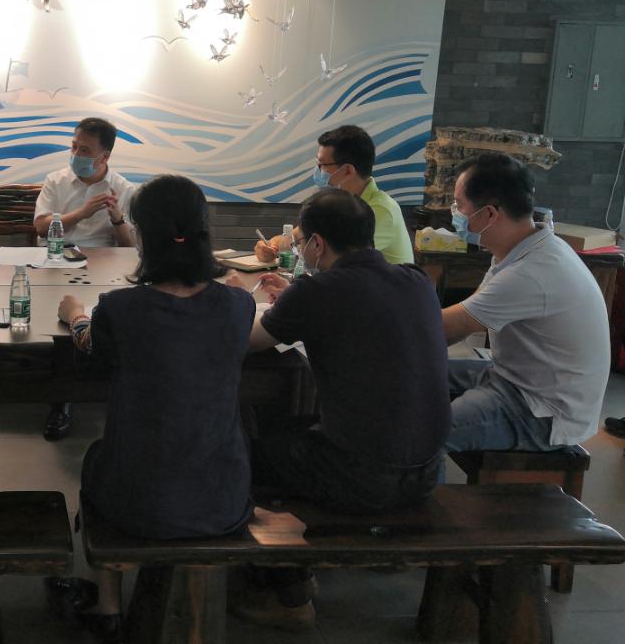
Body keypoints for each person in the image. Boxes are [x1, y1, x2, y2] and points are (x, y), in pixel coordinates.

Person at [51, 175, 256, 643]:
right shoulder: (237, 306)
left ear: (141, 236)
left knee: (96, 458)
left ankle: (107, 606)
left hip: (138, 503)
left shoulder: (121, 308)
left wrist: (75, 314)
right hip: (223, 498)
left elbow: (92, 346)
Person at [239, 188, 449, 629]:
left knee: (241, 455)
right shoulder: (415, 280)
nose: (300, 249)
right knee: (286, 430)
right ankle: (301, 570)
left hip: (362, 477)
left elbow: (249, 340)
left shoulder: (320, 290)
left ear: (317, 244)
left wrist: (235, 300)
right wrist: (295, 297)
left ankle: (288, 595)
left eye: (300, 242)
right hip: (428, 470)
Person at [441, 153, 610, 453]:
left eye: (459, 205)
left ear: (489, 214)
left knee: (421, 432)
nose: (454, 213)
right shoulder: (523, 248)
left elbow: (448, 329)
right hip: (513, 378)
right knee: (416, 376)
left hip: (542, 410)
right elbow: (466, 314)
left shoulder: (531, 272)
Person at [34, 117, 137, 441]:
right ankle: (61, 398)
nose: (76, 154)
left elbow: (130, 249)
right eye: (74, 146)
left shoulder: (123, 189)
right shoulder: (56, 181)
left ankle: (92, 385)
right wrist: (82, 212)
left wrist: (117, 218)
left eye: (85, 150)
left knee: (105, 316)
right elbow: (41, 227)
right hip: (56, 260)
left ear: (105, 156)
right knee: (56, 321)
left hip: (103, 266)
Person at [256, 124, 414, 265]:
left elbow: (338, 262)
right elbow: (295, 236)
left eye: (322, 165)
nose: (318, 171)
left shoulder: (380, 210)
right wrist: (271, 246)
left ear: (347, 171)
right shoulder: (335, 203)